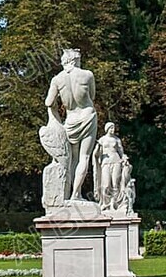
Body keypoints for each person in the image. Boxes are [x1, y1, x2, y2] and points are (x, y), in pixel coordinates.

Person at [45, 49, 98, 201]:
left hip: (70, 121)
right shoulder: (87, 75)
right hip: (87, 116)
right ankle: (76, 194)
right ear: (76, 60)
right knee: (84, 157)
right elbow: (92, 96)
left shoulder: (57, 79)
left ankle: (66, 195)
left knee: (71, 160)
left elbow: (48, 102)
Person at [93, 122, 125, 210]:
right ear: (107, 129)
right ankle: (105, 203)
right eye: (111, 128)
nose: (113, 130)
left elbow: (121, 152)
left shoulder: (117, 140)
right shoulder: (102, 139)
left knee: (115, 184)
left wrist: (124, 159)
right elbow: (95, 154)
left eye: (113, 128)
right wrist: (98, 148)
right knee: (106, 184)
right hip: (105, 162)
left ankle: (114, 204)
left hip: (116, 161)